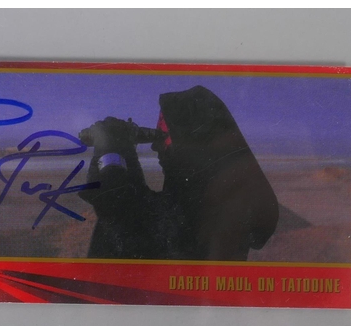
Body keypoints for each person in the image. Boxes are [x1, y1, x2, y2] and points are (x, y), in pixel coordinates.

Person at [79, 85, 279, 261]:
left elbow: (120, 214)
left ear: (191, 139)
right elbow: (140, 207)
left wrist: (110, 145)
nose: (155, 146)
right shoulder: (220, 198)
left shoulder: (207, 207)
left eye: (163, 136)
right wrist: (124, 148)